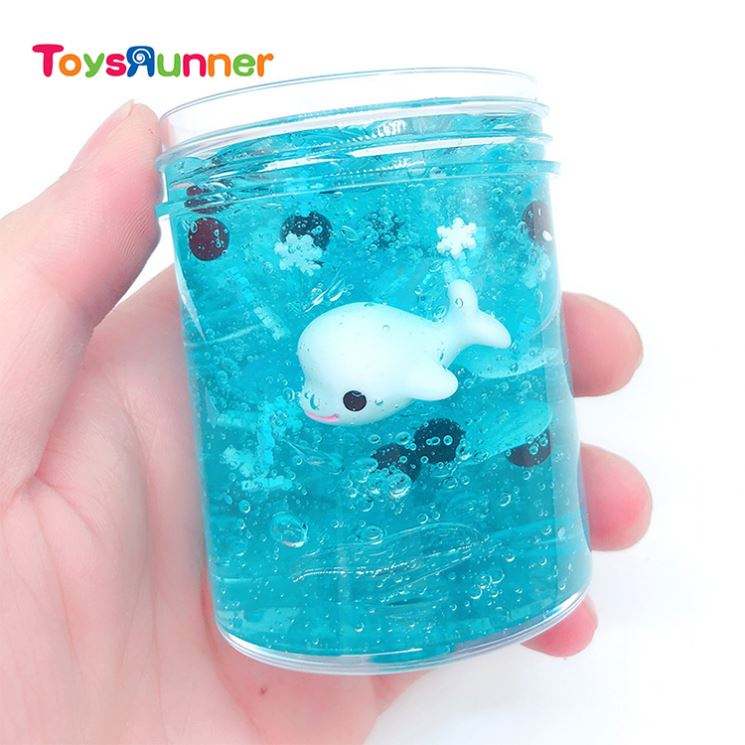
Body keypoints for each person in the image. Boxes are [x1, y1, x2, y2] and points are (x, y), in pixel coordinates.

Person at [0, 103, 652, 745]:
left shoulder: (424, 366)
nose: (317, 407)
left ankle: (467, 328)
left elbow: (439, 384)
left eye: (344, 398)